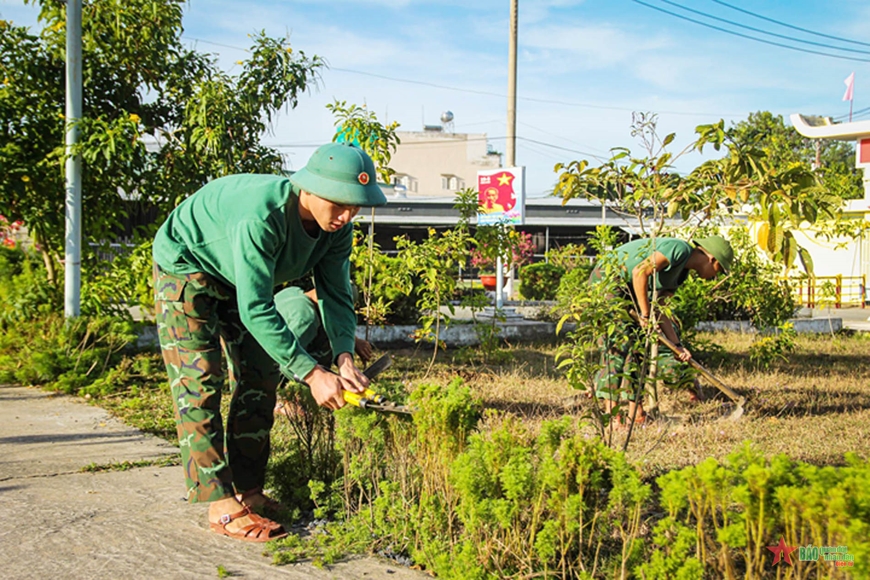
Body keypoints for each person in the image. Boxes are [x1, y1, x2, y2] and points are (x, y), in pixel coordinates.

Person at [152, 142, 386, 542]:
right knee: (201, 379)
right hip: (187, 264)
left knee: (261, 374)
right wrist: (313, 374)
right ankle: (219, 500)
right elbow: (256, 308)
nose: (347, 215)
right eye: (339, 203)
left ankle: (249, 490)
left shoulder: (337, 231)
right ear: (308, 189)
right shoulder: (262, 216)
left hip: (234, 274)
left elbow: (336, 296)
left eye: (357, 206)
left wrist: (344, 358)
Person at [591, 235, 734, 425]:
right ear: (712, 258)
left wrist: (677, 345)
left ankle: (636, 415)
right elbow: (640, 272)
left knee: (638, 349)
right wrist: (644, 315)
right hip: (609, 278)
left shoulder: (681, 274)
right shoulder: (679, 249)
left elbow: (659, 309)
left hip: (628, 286)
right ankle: (612, 418)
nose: (715, 277)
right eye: (719, 270)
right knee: (618, 344)